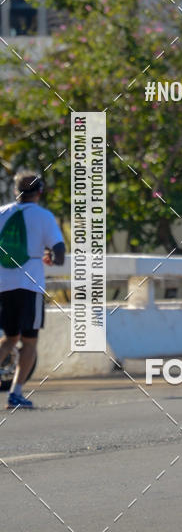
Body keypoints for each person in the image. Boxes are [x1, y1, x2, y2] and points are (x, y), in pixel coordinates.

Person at [0, 172, 65, 409]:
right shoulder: (44, 216)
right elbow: (59, 253)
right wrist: (51, 256)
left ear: (16, 191)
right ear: (40, 192)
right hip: (29, 286)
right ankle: (15, 394)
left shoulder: (2, 213)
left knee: (8, 338)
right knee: (29, 342)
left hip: (3, 286)